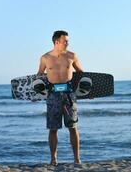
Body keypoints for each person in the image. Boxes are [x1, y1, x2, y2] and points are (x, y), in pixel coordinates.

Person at [37, 30, 83, 165]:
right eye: (65, 41)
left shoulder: (72, 56)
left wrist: (87, 92)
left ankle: (77, 159)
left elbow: (81, 73)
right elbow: (39, 76)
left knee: (73, 127)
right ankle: (53, 159)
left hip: (69, 96)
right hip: (53, 96)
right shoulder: (45, 58)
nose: (68, 43)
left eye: (68, 41)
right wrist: (36, 94)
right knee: (53, 128)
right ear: (57, 42)